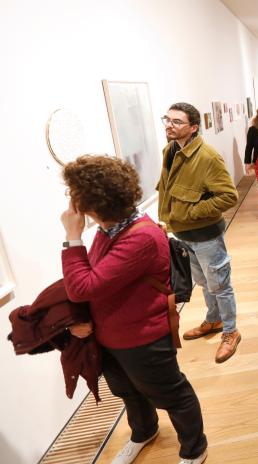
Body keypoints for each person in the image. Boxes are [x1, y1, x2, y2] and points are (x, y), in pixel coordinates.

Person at [61, 155, 208, 464]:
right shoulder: (109, 229)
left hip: (143, 337)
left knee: (172, 395)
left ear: (90, 201)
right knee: (128, 392)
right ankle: (144, 431)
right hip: (111, 335)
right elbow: (95, 282)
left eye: (73, 194)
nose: (70, 202)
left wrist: (72, 236)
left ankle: (195, 449)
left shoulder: (140, 237)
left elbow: (83, 287)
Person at [158, 102, 241, 364]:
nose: (170, 126)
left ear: (193, 128)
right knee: (204, 282)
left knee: (220, 283)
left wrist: (190, 214)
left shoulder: (207, 157)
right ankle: (214, 319)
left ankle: (231, 331)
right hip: (183, 235)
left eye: (177, 122)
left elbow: (229, 196)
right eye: (167, 120)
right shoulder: (169, 151)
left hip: (206, 235)